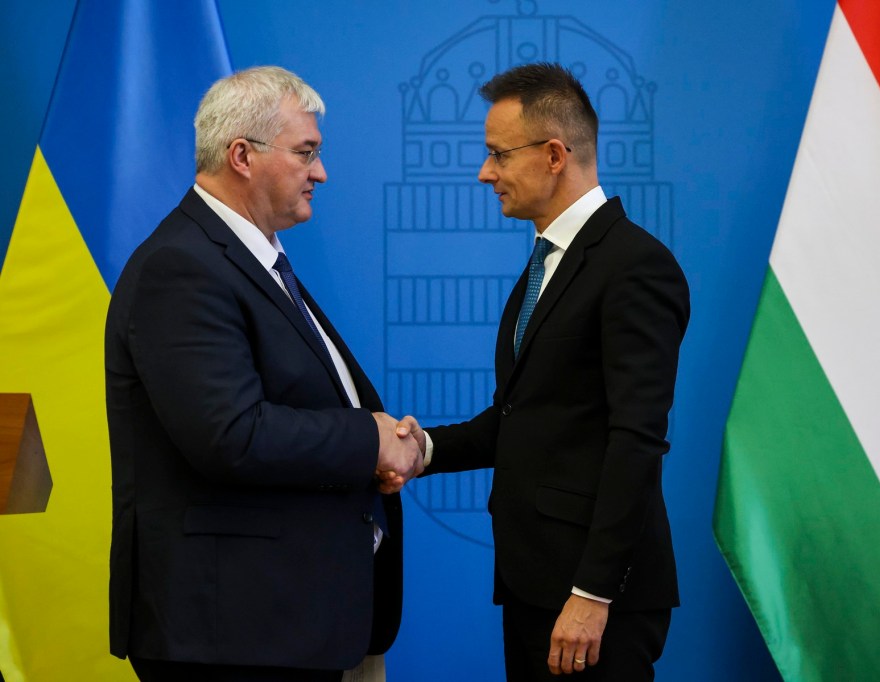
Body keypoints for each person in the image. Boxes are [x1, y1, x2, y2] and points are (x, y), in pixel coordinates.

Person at [105, 66, 422, 681]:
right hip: (232, 635)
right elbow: (231, 435)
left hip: (289, 623)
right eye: (306, 152)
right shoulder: (182, 267)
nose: (320, 173)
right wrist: (370, 439)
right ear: (242, 156)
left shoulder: (252, 260)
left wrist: (369, 452)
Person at [412, 62, 690, 680]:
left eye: (498, 154)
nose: (485, 173)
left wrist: (593, 594)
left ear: (555, 155)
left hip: (593, 601)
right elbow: (523, 417)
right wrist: (420, 448)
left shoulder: (635, 266)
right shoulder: (547, 263)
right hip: (534, 583)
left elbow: (637, 439)